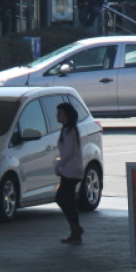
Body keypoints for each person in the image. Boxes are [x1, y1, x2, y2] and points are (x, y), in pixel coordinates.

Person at [54, 102, 85, 244]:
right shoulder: (69, 129)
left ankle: (75, 228)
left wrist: (58, 165)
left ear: (66, 116)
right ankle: (75, 230)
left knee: (63, 198)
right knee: (67, 199)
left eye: (60, 113)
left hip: (70, 170)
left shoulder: (69, 130)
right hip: (72, 169)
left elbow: (68, 152)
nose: (57, 116)